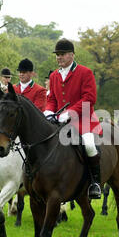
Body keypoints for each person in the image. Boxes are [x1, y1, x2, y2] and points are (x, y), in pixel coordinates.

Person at [43, 38, 103, 199]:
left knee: (89, 144)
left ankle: (95, 183)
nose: (59, 57)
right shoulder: (55, 75)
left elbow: (90, 98)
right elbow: (52, 99)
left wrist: (70, 113)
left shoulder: (85, 72)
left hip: (83, 118)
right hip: (59, 119)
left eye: (62, 54)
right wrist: (48, 112)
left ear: (71, 55)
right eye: (57, 55)